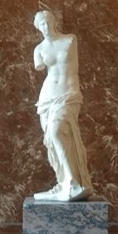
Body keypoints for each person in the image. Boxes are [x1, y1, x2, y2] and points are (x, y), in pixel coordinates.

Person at [31, 10, 91, 202]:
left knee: (57, 132)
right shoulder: (38, 50)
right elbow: (42, 68)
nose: (46, 27)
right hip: (48, 97)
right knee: (53, 139)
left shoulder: (70, 40)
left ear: (54, 22)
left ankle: (73, 181)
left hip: (69, 95)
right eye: (42, 24)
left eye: (48, 22)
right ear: (38, 28)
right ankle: (65, 182)